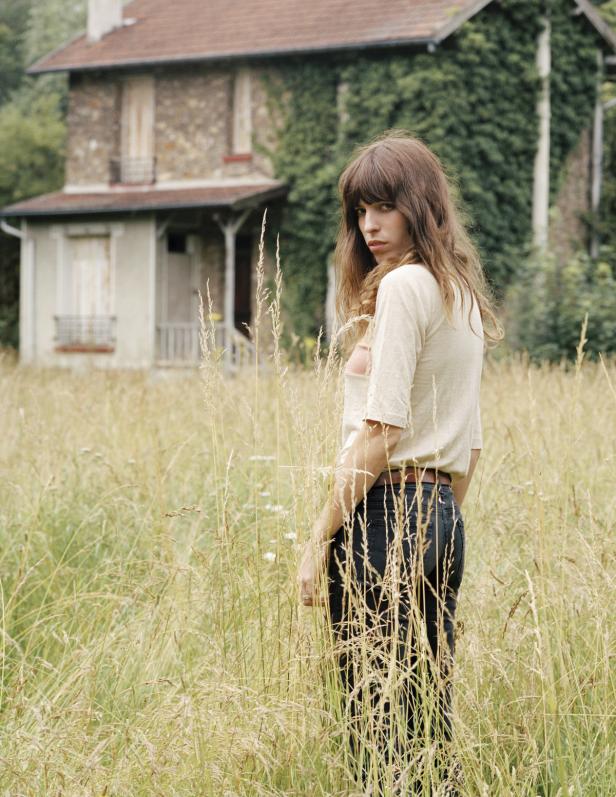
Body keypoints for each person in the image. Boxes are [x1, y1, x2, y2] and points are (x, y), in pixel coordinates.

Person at [297, 131, 503, 795]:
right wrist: (435, 518)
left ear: (419, 203)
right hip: (442, 517)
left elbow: (383, 429)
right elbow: (469, 445)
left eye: (383, 206)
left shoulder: (406, 287)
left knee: (374, 719)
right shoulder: (461, 294)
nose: (369, 225)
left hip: (385, 517)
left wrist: (318, 537)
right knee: (423, 718)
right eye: (360, 211)